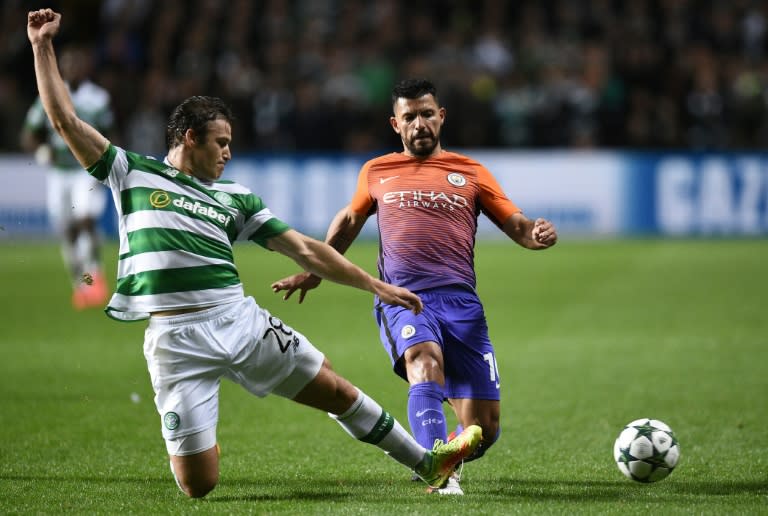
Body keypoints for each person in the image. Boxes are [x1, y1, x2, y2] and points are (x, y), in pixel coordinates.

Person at [26, 9, 483, 499]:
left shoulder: (235, 198)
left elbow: (305, 249)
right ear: (190, 138)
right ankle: (203, 441)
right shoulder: (131, 173)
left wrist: (375, 285)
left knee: (335, 388)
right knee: (197, 485)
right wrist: (42, 46)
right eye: (220, 143)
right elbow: (63, 120)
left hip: (236, 320)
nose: (227, 153)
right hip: (175, 344)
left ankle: (428, 462)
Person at [273, 78, 558, 495]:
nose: (419, 123)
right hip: (403, 296)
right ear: (396, 124)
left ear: (441, 117)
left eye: (427, 114)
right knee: (424, 361)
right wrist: (315, 270)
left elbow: (515, 223)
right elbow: (350, 221)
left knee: (485, 429)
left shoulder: (471, 172)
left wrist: (535, 233)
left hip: (461, 302)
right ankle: (440, 474)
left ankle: (438, 452)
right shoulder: (376, 170)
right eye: (410, 117)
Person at [21, 42, 113, 310]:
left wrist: (108, 163)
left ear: (86, 68)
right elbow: (28, 134)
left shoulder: (98, 98)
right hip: (58, 172)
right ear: (61, 68)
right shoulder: (48, 95)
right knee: (68, 230)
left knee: (85, 220)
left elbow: (111, 132)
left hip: (86, 169)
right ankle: (81, 282)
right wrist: (40, 149)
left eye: (78, 64)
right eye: (68, 64)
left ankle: (95, 273)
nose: (72, 69)